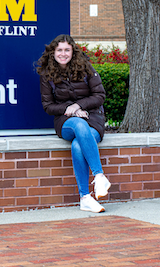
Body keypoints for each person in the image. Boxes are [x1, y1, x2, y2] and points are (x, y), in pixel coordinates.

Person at [36, 34, 111, 213]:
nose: (63, 54)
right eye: (59, 50)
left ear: (73, 52)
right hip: (65, 121)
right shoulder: (47, 74)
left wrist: (79, 105)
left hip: (93, 118)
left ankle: (85, 197)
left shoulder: (85, 68)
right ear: (53, 52)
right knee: (77, 124)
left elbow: (100, 95)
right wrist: (70, 109)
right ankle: (99, 176)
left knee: (78, 145)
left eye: (67, 50)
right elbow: (48, 106)